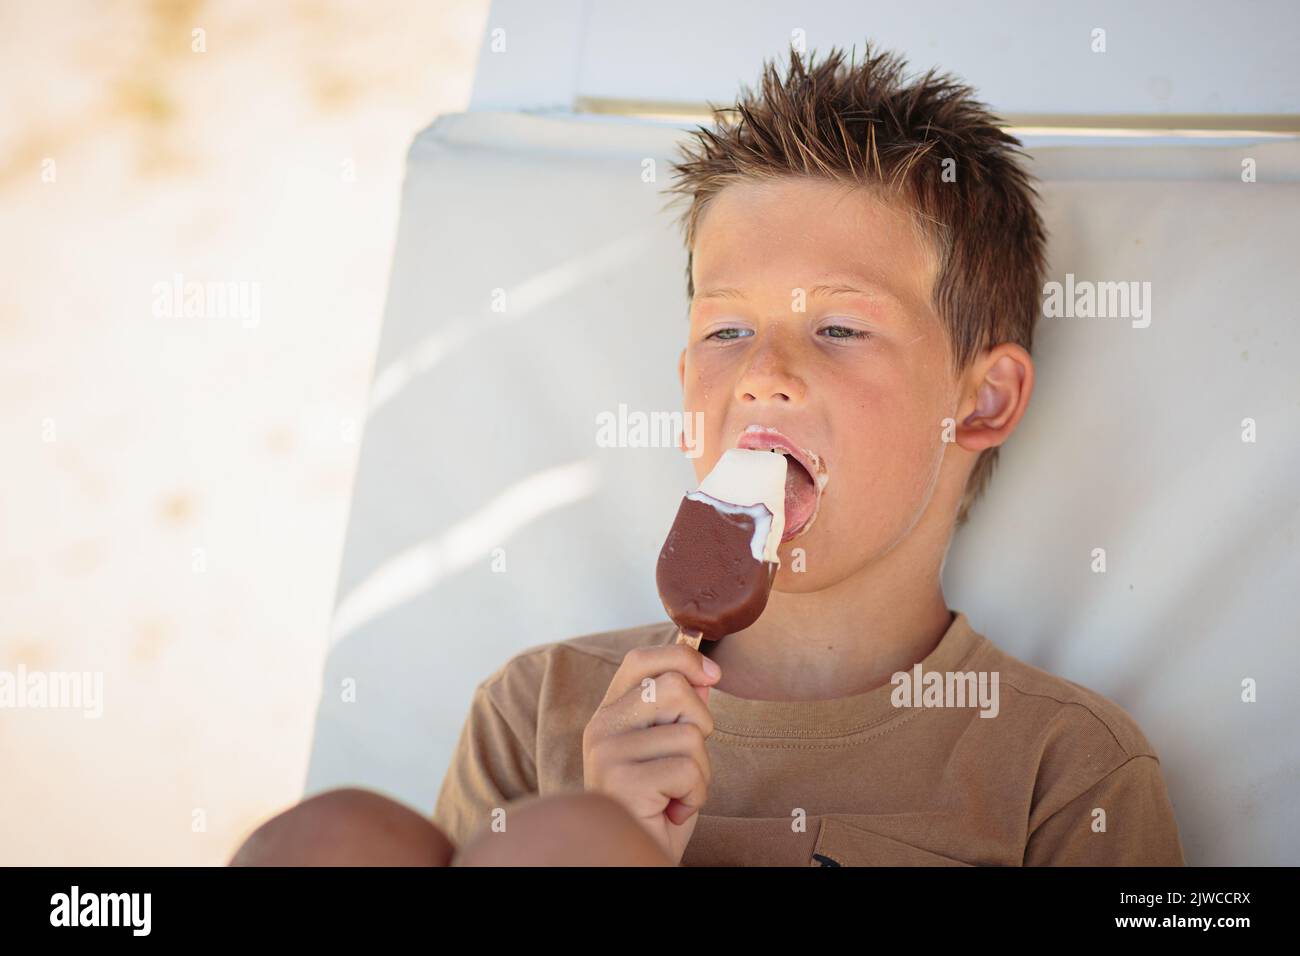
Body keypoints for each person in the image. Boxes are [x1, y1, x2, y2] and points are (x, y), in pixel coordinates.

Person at [234, 41, 1185, 867]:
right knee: (337, 839)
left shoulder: (1062, 768)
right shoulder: (540, 710)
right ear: (683, 375)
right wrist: (608, 833)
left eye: (842, 327)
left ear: (981, 399)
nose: (764, 374)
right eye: (727, 330)